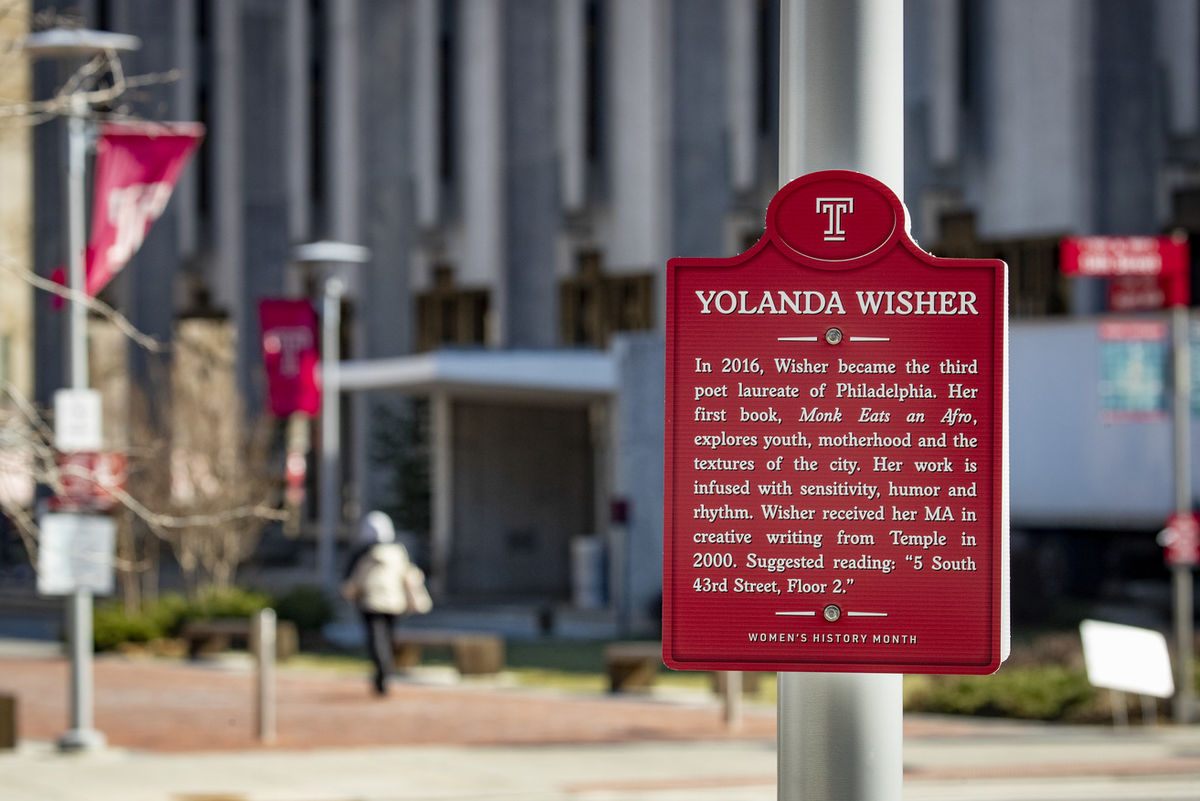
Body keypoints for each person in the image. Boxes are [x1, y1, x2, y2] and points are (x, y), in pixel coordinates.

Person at [341, 511, 432, 695]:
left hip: (371, 603)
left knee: (376, 639)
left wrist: (349, 594)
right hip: (394, 603)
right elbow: (410, 574)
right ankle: (385, 669)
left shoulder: (362, 552)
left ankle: (382, 671)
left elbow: (350, 581)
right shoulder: (398, 550)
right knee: (387, 637)